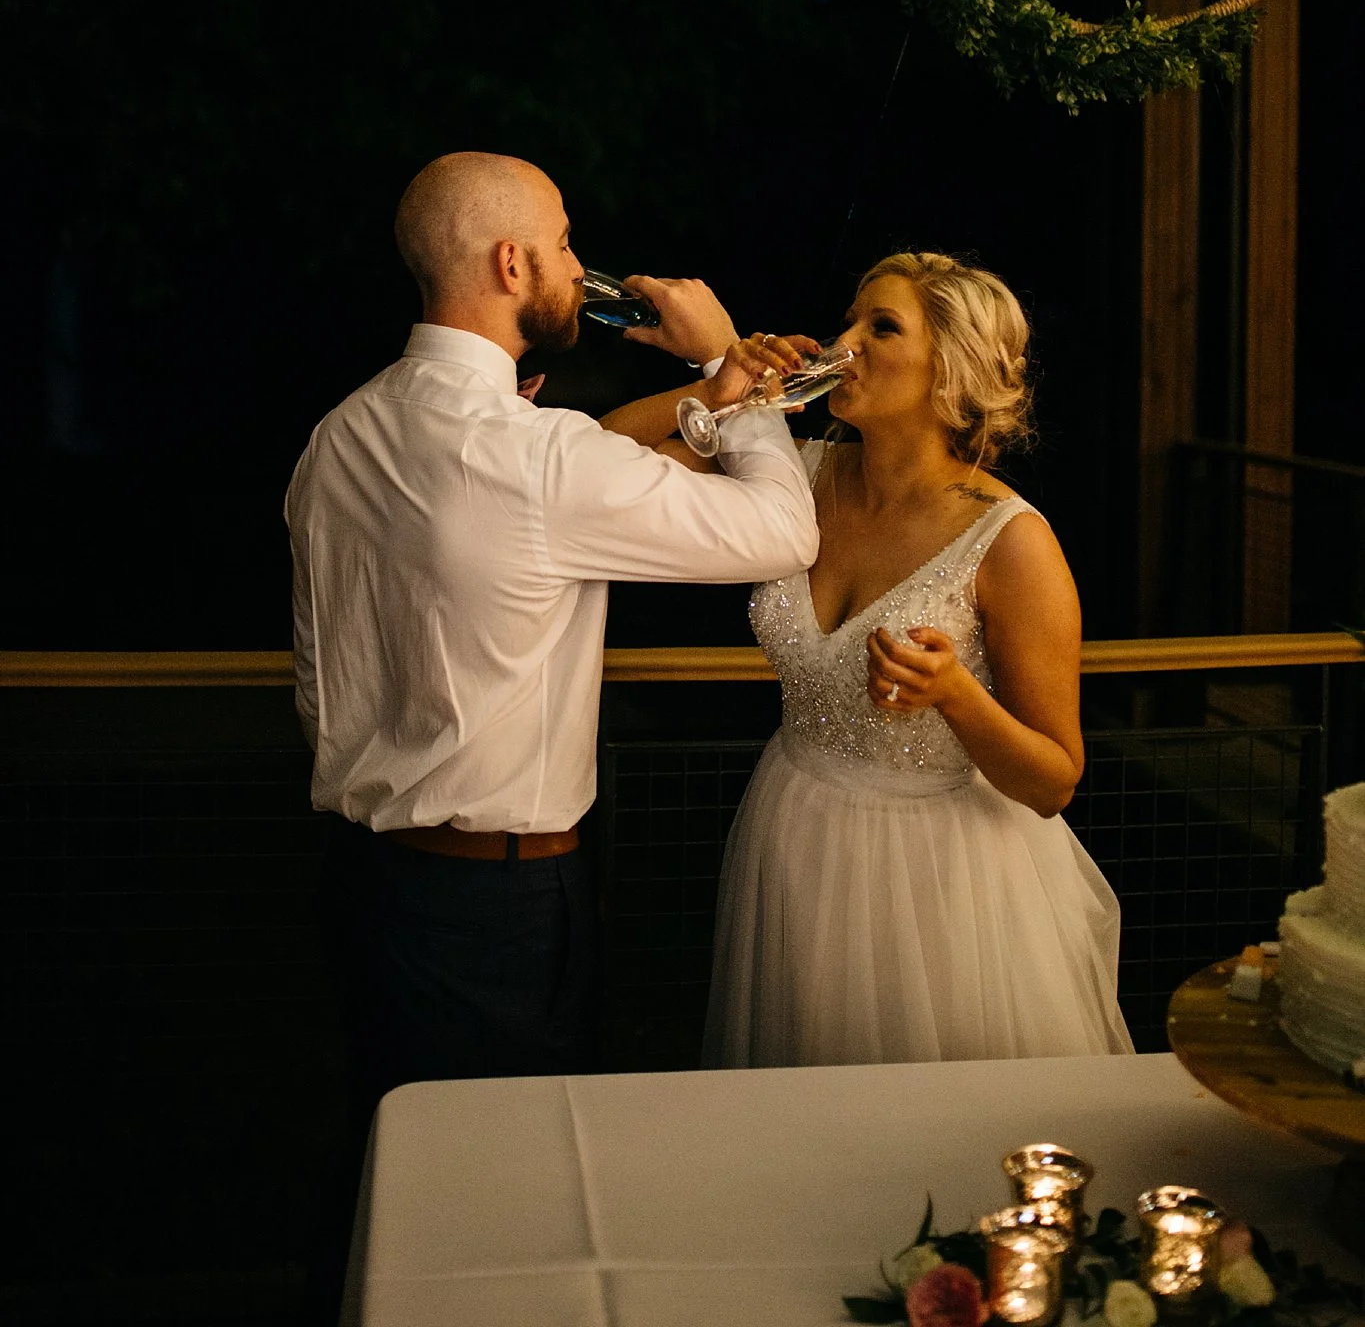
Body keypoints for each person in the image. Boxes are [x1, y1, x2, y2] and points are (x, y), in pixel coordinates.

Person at [286, 150, 818, 1120]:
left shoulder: (340, 434)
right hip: (494, 906)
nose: (580, 269)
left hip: (363, 880)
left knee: (392, 1155)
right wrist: (717, 355)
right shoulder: (532, 455)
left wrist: (719, 396)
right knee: (506, 1171)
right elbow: (784, 532)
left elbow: (577, 464)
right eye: (565, 244)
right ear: (510, 263)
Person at [695, 250, 1134, 1067]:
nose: (843, 344)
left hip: (941, 876)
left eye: (882, 328)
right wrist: (726, 389)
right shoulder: (794, 473)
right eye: (849, 321)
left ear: (950, 369)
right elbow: (600, 468)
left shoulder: (1011, 543)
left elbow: (1053, 781)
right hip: (793, 826)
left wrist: (956, 694)